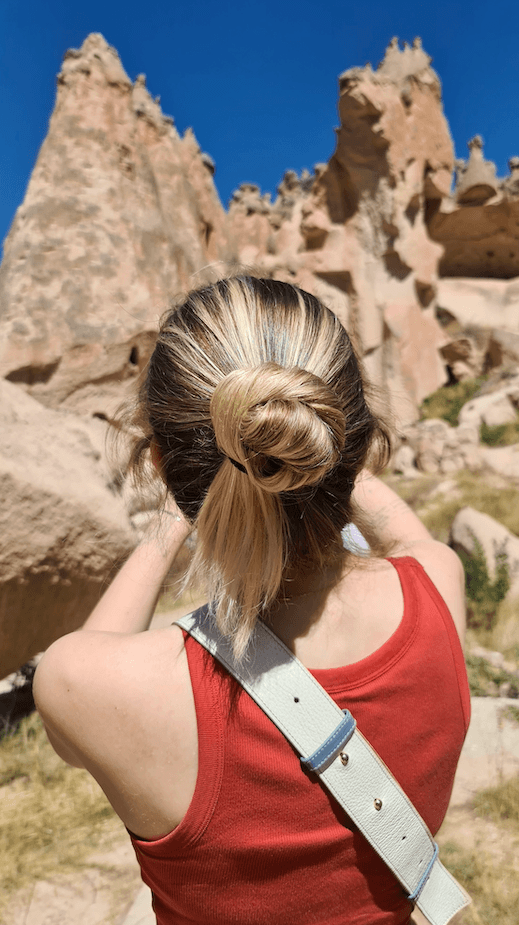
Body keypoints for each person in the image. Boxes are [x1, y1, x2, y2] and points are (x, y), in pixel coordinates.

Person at [34, 277, 470, 925]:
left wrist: (184, 501)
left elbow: (88, 655)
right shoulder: (437, 584)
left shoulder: (84, 686)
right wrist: (321, 453)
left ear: (159, 462)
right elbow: (407, 535)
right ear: (350, 439)